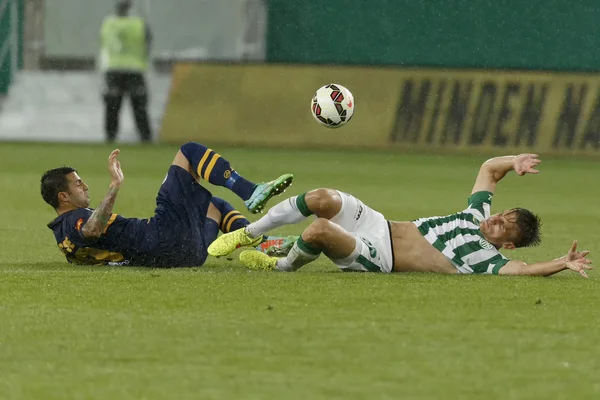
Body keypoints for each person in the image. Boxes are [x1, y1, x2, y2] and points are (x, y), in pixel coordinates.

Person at [208, 154, 593, 278]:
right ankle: (250, 232)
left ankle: (279, 267)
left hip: (381, 256)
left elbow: (523, 270)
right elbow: (490, 169)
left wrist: (562, 262)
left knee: (320, 229)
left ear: (507, 243)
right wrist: (516, 161)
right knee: (322, 198)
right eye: (502, 215)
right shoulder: (477, 212)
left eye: (505, 227)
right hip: (378, 223)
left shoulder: (487, 260)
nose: (496, 221)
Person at [41, 142, 295, 267]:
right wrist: (115, 184)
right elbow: (92, 230)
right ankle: (250, 191)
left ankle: (262, 245)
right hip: (162, 235)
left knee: (213, 206)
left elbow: (89, 243)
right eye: (77, 184)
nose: (84, 186)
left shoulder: (63, 237)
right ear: (63, 197)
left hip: (182, 256)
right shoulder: (74, 222)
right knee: (188, 152)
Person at [100, 0, 153, 143]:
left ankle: (110, 137)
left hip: (113, 69)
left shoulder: (108, 23)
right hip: (134, 69)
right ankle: (145, 138)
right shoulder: (139, 24)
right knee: (139, 106)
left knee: (112, 106)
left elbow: (103, 44)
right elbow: (147, 44)